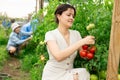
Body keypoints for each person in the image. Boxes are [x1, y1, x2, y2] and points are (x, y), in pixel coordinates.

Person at [42, 4, 95, 80]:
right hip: (52, 75)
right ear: (58, 16)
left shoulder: (76, 34)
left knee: (84, 72)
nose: (71, 18)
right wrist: (81, 42)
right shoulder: (50, 34)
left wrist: (90, 46)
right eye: (68, 15)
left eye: (73, 16)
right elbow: (58, 56)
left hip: (69, 74)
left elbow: (83, 54)